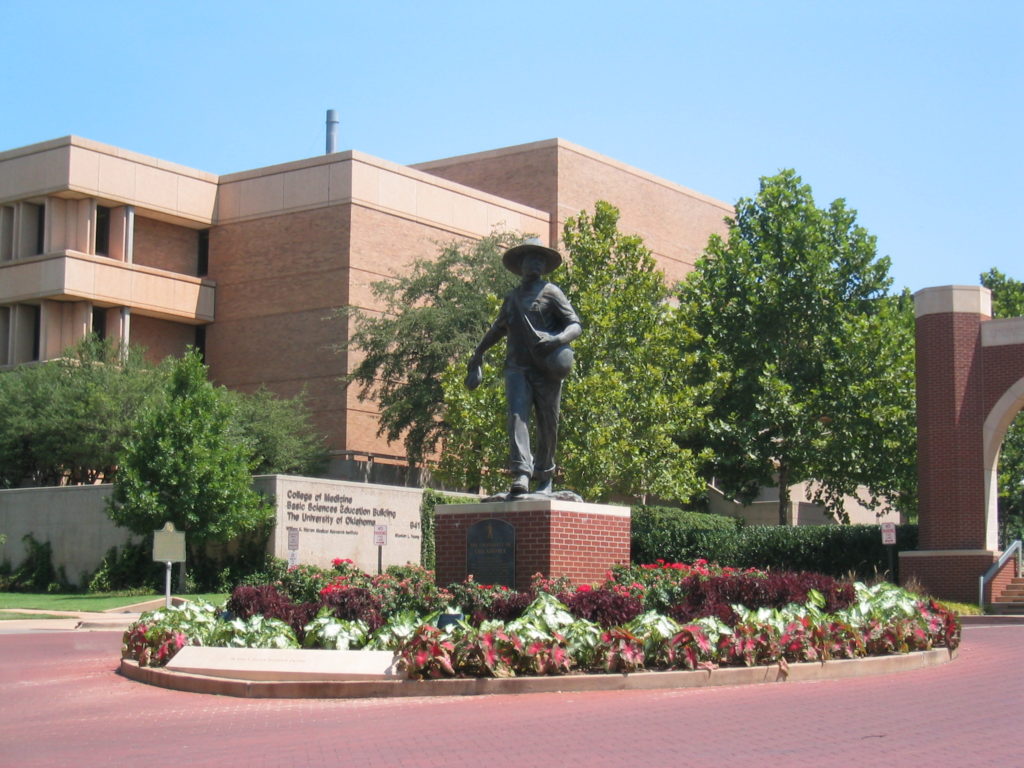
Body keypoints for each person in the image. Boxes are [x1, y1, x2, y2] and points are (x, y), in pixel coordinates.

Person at [465, 239, 582, 496]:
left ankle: (545, 476)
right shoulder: (513, 298)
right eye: (531, 258)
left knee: (547, 423)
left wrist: (558, 339)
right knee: (517, 416)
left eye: (540, 259)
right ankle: (521, 474)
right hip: (517, 368)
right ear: (521, 265)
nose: (536, 263)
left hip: (547, 368)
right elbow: (498, 329)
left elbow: (575, 325)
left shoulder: (552, 292)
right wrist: (478, 353)